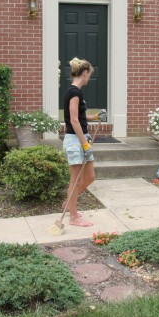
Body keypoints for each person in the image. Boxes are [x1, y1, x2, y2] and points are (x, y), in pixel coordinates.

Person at [62, 57, 101, 227]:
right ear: (84, 73)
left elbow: (79, 116)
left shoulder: (76, 92)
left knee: (90, 177)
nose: (88, 79)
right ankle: (73, 216)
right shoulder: (74, 92)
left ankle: (68, 204)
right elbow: (73, 120)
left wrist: (95, 117)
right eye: (88, 75)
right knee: (75, 180)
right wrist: (84, 143)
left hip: (81, 138)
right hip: (75, 140)